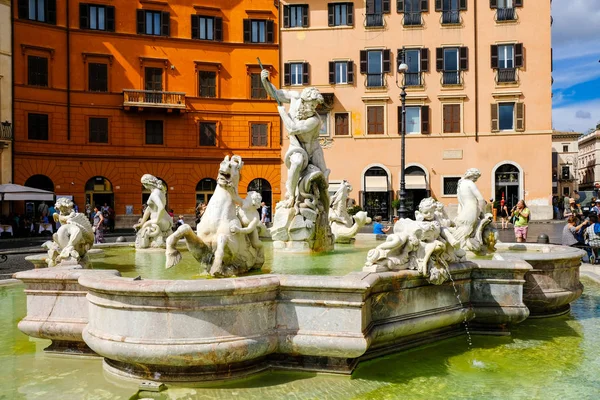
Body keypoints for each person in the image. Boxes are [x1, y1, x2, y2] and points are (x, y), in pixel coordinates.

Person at [261, 68, 328, 207]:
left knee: (323, 181)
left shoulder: (314, 120)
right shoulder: (294, 98)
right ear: (304, 100)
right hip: (297, 146)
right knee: (297, 162)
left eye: (315, 105)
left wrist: (282, 113)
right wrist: (264, 80)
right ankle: (290, 196)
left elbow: (293, 128)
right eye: (312, 104)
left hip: (313, 148)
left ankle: (322, 209)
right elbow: (275, 93)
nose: (313, 108)